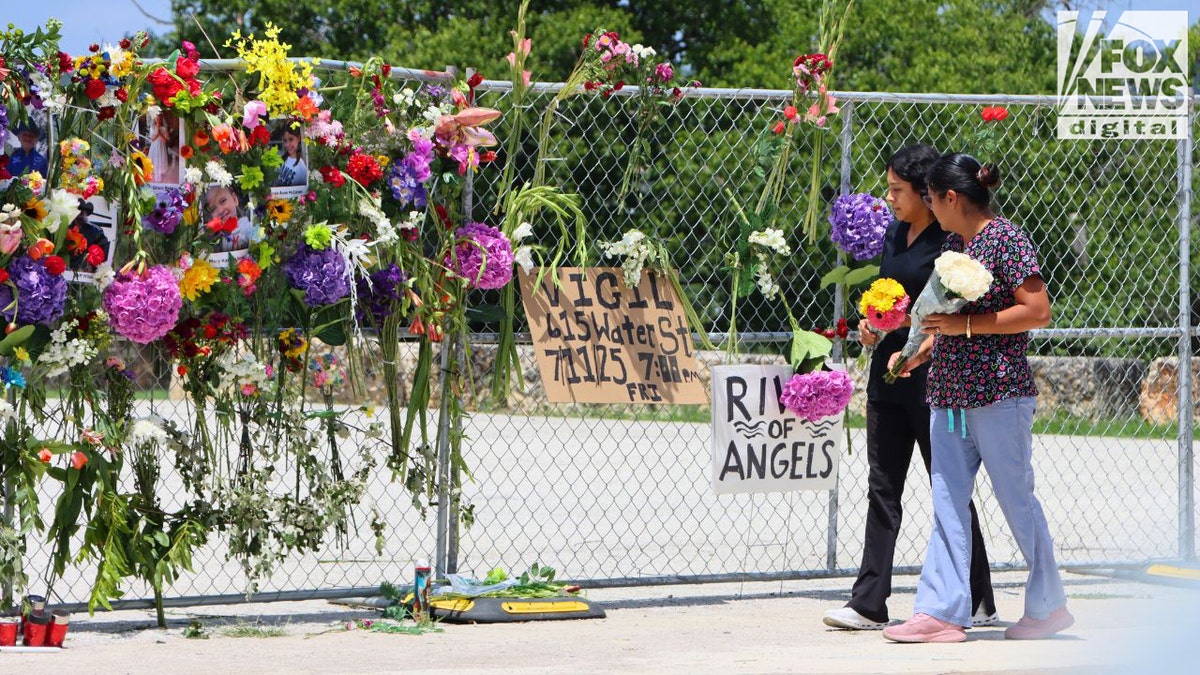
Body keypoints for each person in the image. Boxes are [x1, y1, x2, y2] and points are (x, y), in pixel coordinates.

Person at [882, 153, 1069, 643]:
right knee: (946, 503)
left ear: (952, 197)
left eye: (931, 198)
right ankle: (941, 612)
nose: (928, 207)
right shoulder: (952, 244)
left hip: (999, 394)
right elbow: (942, 320)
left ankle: (1048, 607)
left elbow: (1037, 311)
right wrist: (918, 353)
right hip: (949, 394)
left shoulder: (1007, 239)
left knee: (1016, 501)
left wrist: (965, 326)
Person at [822, 145, 997, 632]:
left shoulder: (951, 242)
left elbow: (954, 309)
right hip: (888, 374)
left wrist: (910, 333)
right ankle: (868, 602)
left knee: (949, 488)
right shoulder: (894, 234)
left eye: (897, 190)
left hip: (934, 376)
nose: (889, 198)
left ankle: (979, 597)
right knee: (883, 487)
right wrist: (871, 325)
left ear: (926, 192)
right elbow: (888, 299)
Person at [204, 185, 255, 251]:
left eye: (223, 201)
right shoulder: (217, 239)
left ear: (235, 199)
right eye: (213, 209)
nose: (220, 210)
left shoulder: (248, 228)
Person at [67, 199, 111, 273]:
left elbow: (104, 250)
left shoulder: (96, 231)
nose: (79, 215)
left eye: (82, 212)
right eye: (77, 211)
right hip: (68, 270)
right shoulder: (67, 229)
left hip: (86, 272)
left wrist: (92, 266)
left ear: (86, 213)